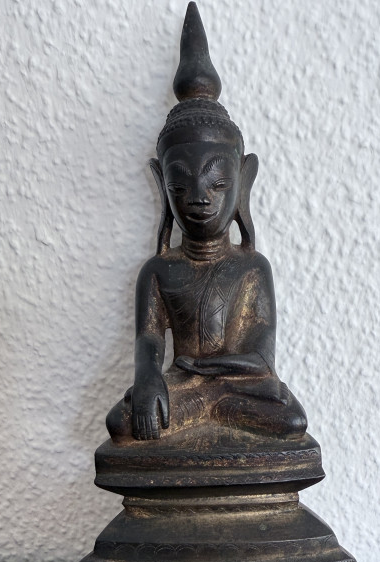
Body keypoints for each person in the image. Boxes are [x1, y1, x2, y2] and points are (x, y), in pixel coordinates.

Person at [106, 3, 307, 443]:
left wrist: (205, 367)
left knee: (291, 420)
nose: (199, 198)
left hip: (236, 388)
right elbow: (148, 343)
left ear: (243, 180)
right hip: (186, 389)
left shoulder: (252, 268)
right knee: (122, 424)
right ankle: (205, 409)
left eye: (217, 183)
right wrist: (149, 379)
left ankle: (215, 409)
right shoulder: (158, 271)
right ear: (163, 188)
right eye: (180, 186)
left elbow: (261, 358)